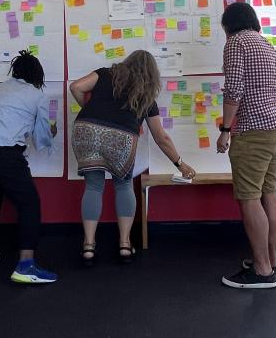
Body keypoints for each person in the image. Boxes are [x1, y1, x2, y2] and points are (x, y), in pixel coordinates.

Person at [70, 50, 196, 266]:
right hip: (120, 139)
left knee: (93, 187)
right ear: (151, 74)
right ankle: (125, 245)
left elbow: (76, 87)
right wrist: (180, 164)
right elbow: (161, 137)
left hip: (86, 131)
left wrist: (89, 110)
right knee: (123, 185)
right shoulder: (146, 95)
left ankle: (88, 247)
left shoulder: (105, 73)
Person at [0, 50, 58, 284]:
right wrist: (52, 130)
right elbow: (42, 137)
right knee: (29, 203)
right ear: (38, 75)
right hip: (0, 150)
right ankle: (26, 265)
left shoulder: (3, 88)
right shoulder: (36, 94)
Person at [216, 2, 276, 289]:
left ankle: (261, 271)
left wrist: (225, 130)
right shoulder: (266, 44)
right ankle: (272, 262)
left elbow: (234, 89)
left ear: (229, 25)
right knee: (269, 192)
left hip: (254, 130)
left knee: (249, 198)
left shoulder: (236, 43)